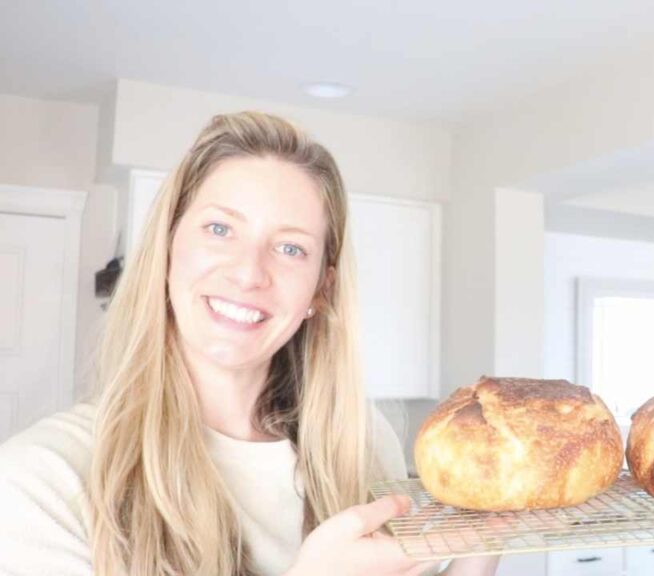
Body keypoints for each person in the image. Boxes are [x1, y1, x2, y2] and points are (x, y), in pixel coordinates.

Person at [0, 112, 501, 576]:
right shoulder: (43, 482)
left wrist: (488, 539)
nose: (248, 272)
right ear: (167, 249)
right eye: (220, 229)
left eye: (290, 248)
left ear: (320, 290)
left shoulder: (365, 445)